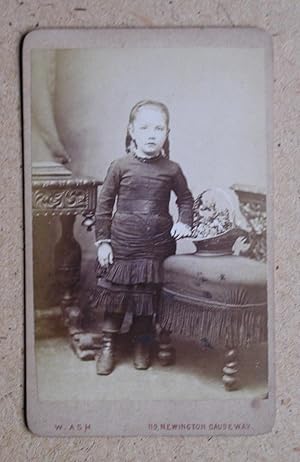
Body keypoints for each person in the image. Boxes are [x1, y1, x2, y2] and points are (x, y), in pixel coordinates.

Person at [94, 99, 194, 375]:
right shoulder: (119, 166)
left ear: (167, 133)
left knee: (146, 298)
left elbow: (186, 199)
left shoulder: (172, 169)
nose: (152, 134)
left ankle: (141, 345)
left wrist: (185, 222)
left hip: (157, 245)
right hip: (123, 243)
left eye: (159, 128)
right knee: (116, 297)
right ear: (132, 131)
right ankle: (108, 346)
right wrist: (103, 241)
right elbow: (104, 206)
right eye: (145, 127)